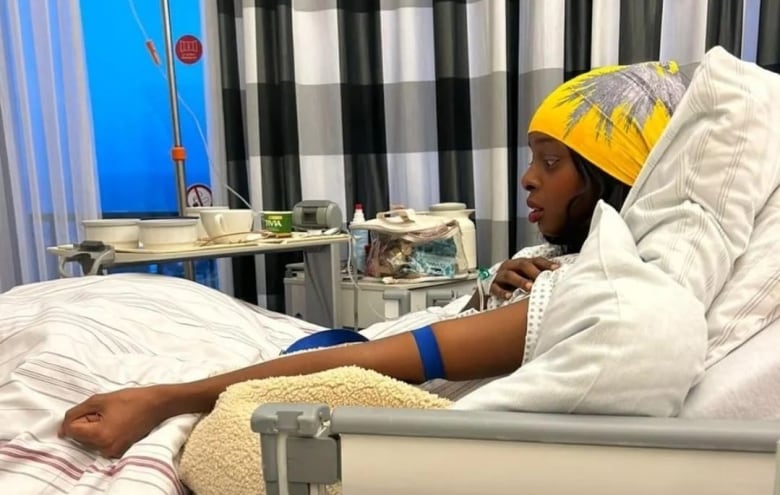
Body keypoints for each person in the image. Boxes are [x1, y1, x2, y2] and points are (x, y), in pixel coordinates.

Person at [59, 61, 689, 458]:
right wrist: (486, 289)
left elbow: (400, 358)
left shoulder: (596, 288)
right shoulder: (545, 257)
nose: (528, 180)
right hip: (345, 343)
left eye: (551, 164)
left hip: (342, 357)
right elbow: (451, 327)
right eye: (531, 158)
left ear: (610, 181)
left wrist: (165, 400)